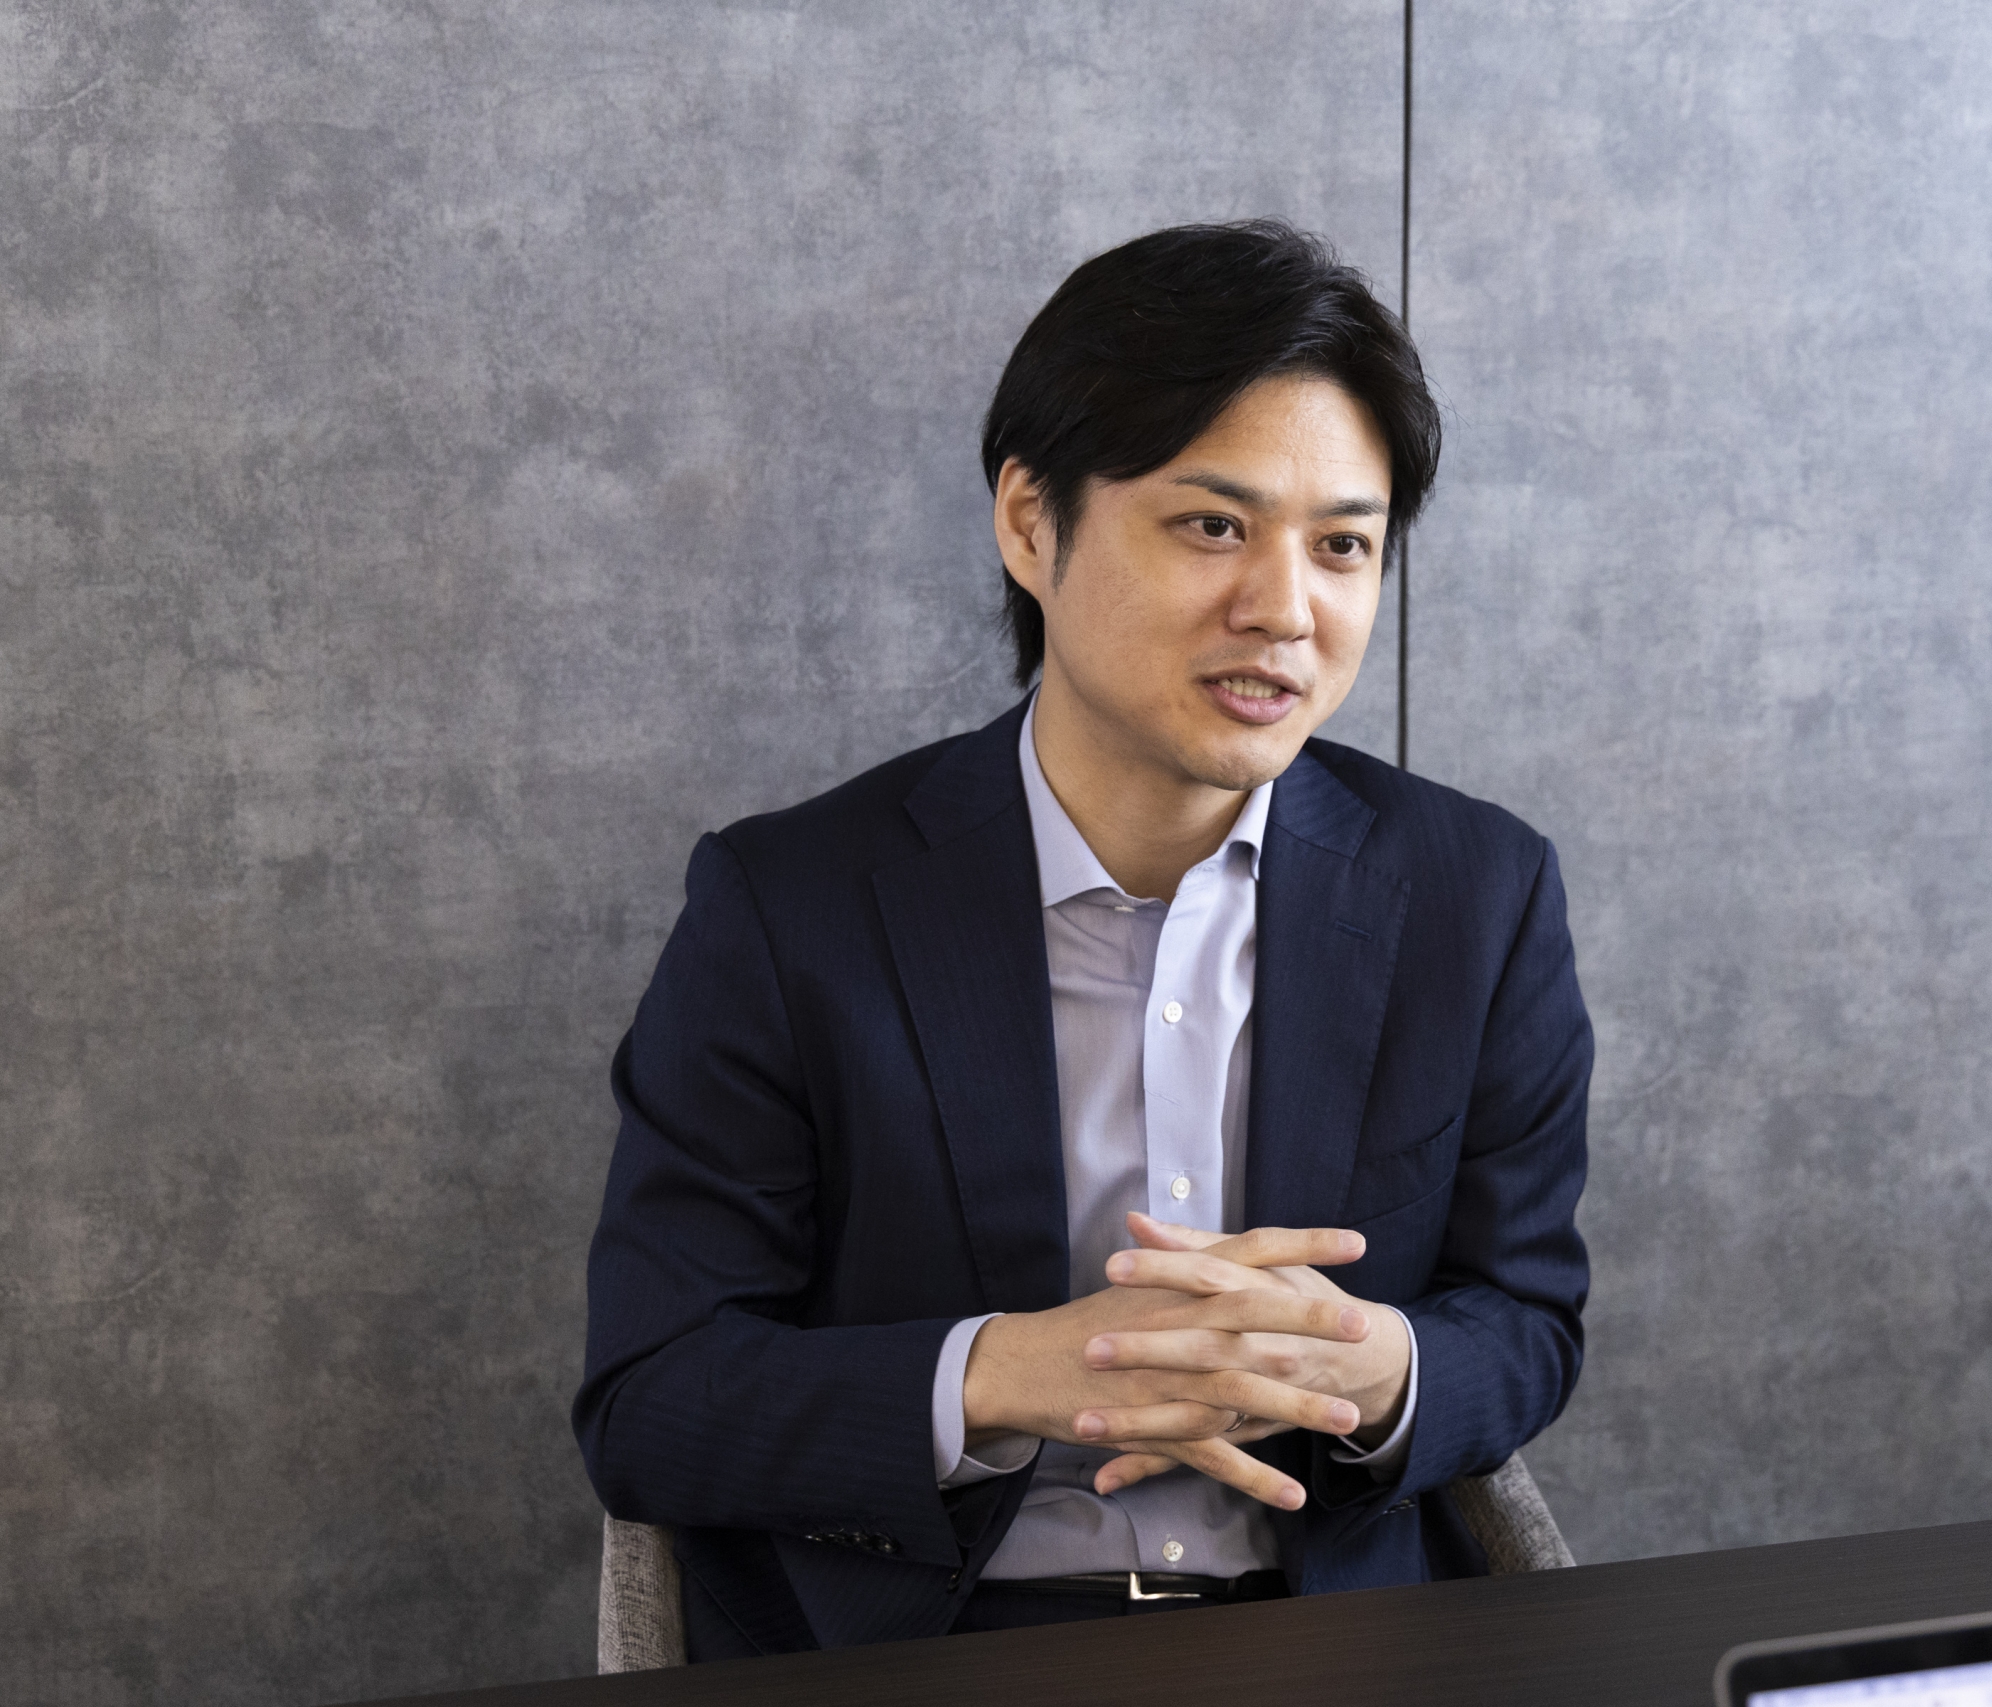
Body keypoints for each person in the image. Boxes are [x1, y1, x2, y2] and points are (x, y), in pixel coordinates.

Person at [572, 219, 1592, 1655]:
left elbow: (1530, 1322)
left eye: (1343, 546)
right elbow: (652, 1399)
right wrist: (999, 1375)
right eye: (1214, 525)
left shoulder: (1476, 896)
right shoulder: (791, 905)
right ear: (1029, 524)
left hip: (1333, 1648)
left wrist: (1377, 1366)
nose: (1284, 610)